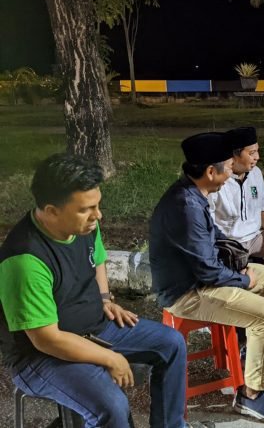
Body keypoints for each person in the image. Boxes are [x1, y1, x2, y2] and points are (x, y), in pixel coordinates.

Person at [0, 153, 187, 428]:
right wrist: (110, 357)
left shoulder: (84, 225)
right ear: (51, 211)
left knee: (171, 344)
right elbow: (47, 340)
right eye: (86, 209)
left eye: (97, 205)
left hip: (94, 327)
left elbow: (97, 258)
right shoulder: (25, 261)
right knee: (112, 405)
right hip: (40, 357)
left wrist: (105, 298)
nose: (97, 215)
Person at [149, 132, 264, 424]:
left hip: (200, 279)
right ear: (210, 172)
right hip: (187, 293)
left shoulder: (193, 193)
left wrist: (241, 270)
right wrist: (242, 280)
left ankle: (248, 343)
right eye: (227, 167)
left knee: (263, 273)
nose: (230, 174)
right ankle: (251, 395)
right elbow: (207, 271)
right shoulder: (186, 206)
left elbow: (213, 240)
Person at [209, 126, 264, 285]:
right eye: (251, 153)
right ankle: (245, 286)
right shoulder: (219, 179)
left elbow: (263, 207)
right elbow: (206, 221)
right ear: (235, 155)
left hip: (254, 237)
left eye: (257, 151)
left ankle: (258, 286)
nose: (257, 157)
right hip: (229, 242)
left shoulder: (255, 173)